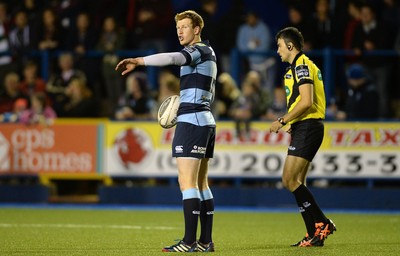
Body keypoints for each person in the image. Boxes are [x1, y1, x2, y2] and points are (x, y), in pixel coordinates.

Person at [116, 10, 216, 253]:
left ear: (197, 29)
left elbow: (173, 59)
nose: (180, 31)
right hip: (203, 119)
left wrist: (139, 61)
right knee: (201, 183)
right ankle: (205, 241)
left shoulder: (199, 50)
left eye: (185, 26)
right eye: (178, 27)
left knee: (187, 182)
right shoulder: (205, 54)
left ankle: (189, 241)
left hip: (192, 121)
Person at [269, 27, 336, 247]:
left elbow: (307, 101)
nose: (277, 50)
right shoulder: (294, 69)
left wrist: (282, 121)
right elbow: (303, 102)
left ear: (290, 46)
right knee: (298, 182)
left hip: (309, 127)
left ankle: (323, 222)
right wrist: (293, 122)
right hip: (304, 127)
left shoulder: (302, 65)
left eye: (279, 45)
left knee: (288, 180)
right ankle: (312, 234)